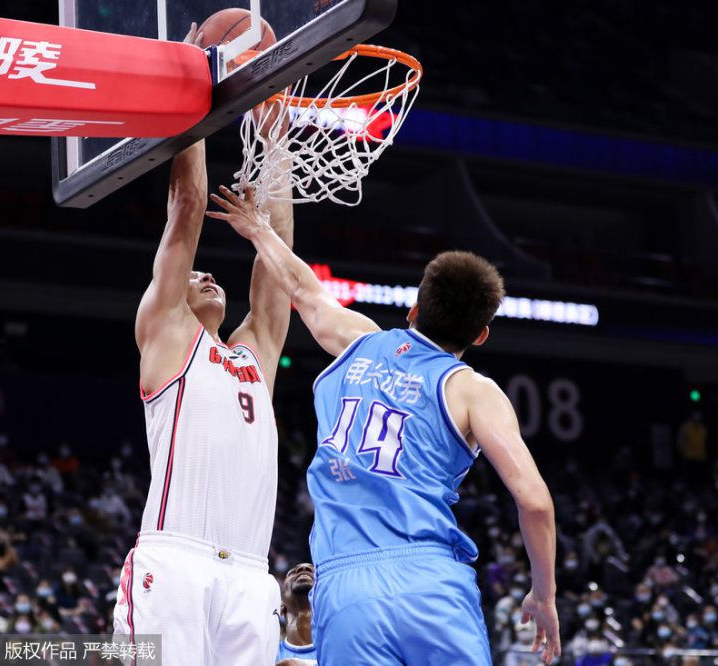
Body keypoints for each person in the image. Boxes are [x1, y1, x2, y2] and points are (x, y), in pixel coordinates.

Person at [209, 188, 561, 665]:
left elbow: (301, 287)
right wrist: (543, 596)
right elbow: (535, 503)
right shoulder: (475, 391)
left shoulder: (359, 343)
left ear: (414, 311)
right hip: (431, 581)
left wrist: (257, 229)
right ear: (480, 335)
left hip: (347, 588)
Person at [112, 25, 295, 666]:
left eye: (208, 274)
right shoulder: (166, 334)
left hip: (250, 575)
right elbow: (187, 206)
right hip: (177, 562)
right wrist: (191, 88)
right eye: (195, 276)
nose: (207, 274)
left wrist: (275, 134)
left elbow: (279, 269)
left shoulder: (252, 356)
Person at [276, 563, 316, 665]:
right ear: (281, 607)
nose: (304, 568)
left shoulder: (343, 649)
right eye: (292, 572)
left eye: (315, 571)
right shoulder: (267, 653)